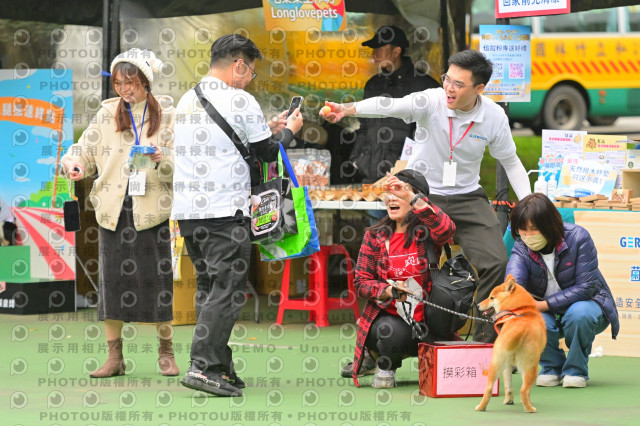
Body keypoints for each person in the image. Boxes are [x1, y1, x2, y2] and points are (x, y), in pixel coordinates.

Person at [321, 49, 532, 342]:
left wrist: (529, 203)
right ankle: (382, 345)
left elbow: (511, 162)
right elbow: (388, 105)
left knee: (496, 262)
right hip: (421, 196)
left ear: (479, 88)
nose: (449, 87)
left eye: (459, 84)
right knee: (400, 267)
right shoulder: (431, 100)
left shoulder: (494, 116)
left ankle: (484, 342)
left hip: (467, 196)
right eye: (447, 78)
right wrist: (348, 109)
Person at [171, 34, 303, 397]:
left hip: (189, 213)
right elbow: (268, 154)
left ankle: (219, 365)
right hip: (225, 211)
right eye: (251, 73)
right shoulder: (240, 99)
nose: (249, 81)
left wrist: (267, 129)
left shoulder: (187, 98)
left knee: (209, 289)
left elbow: (224, 144)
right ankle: (203, 366)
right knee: (227, 291)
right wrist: (290, 132)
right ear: (238, 65)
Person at [61, 48, 177, 377]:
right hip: (112, 209)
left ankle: (166, 352)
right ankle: (115, 357)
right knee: (111, 285)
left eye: (131, 83)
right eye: (119, 83)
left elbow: (181, 163)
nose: (125, 89)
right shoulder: (106, 114)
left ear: (146, 82)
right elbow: (83, 152)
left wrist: (162, 158)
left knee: (158, 283)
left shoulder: (167, 114)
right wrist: (74, 163)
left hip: (152, 209)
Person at [349, 169, 455, 388]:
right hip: (393, 319)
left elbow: (447, 229)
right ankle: (384, 363)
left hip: (430, 319)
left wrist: (412, 197)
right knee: (389, 332)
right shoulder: (375, 236)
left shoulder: (427, 232)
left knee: (451, 370)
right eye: (389, 193)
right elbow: (361, 282)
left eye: (400, 192)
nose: (392, 198)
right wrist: (387, 291)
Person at [505, 193, 619, 388]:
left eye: (534, 228)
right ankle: (551, 367)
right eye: (522, 229)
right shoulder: (521, 247)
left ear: (549, 223)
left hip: (588, 306)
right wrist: (511, 303)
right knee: (530, 318)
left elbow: (586, 287)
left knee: (579, 314)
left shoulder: (578, 237)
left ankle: (576, 370)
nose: (528, 235)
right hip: (546, 313)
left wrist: (542, 305)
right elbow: (514, 282)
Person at [350, 25, 440, 225]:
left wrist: (408, 165)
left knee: (409, 235)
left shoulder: (425, 86)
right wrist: (359, 158)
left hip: (410, 180)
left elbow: (434, 132)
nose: (374, 55)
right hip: (373, 177)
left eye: (379, 50)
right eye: (374, 50)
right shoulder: (372, 84)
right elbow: (364, 126)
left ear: (397, 51)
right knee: (379, 236)